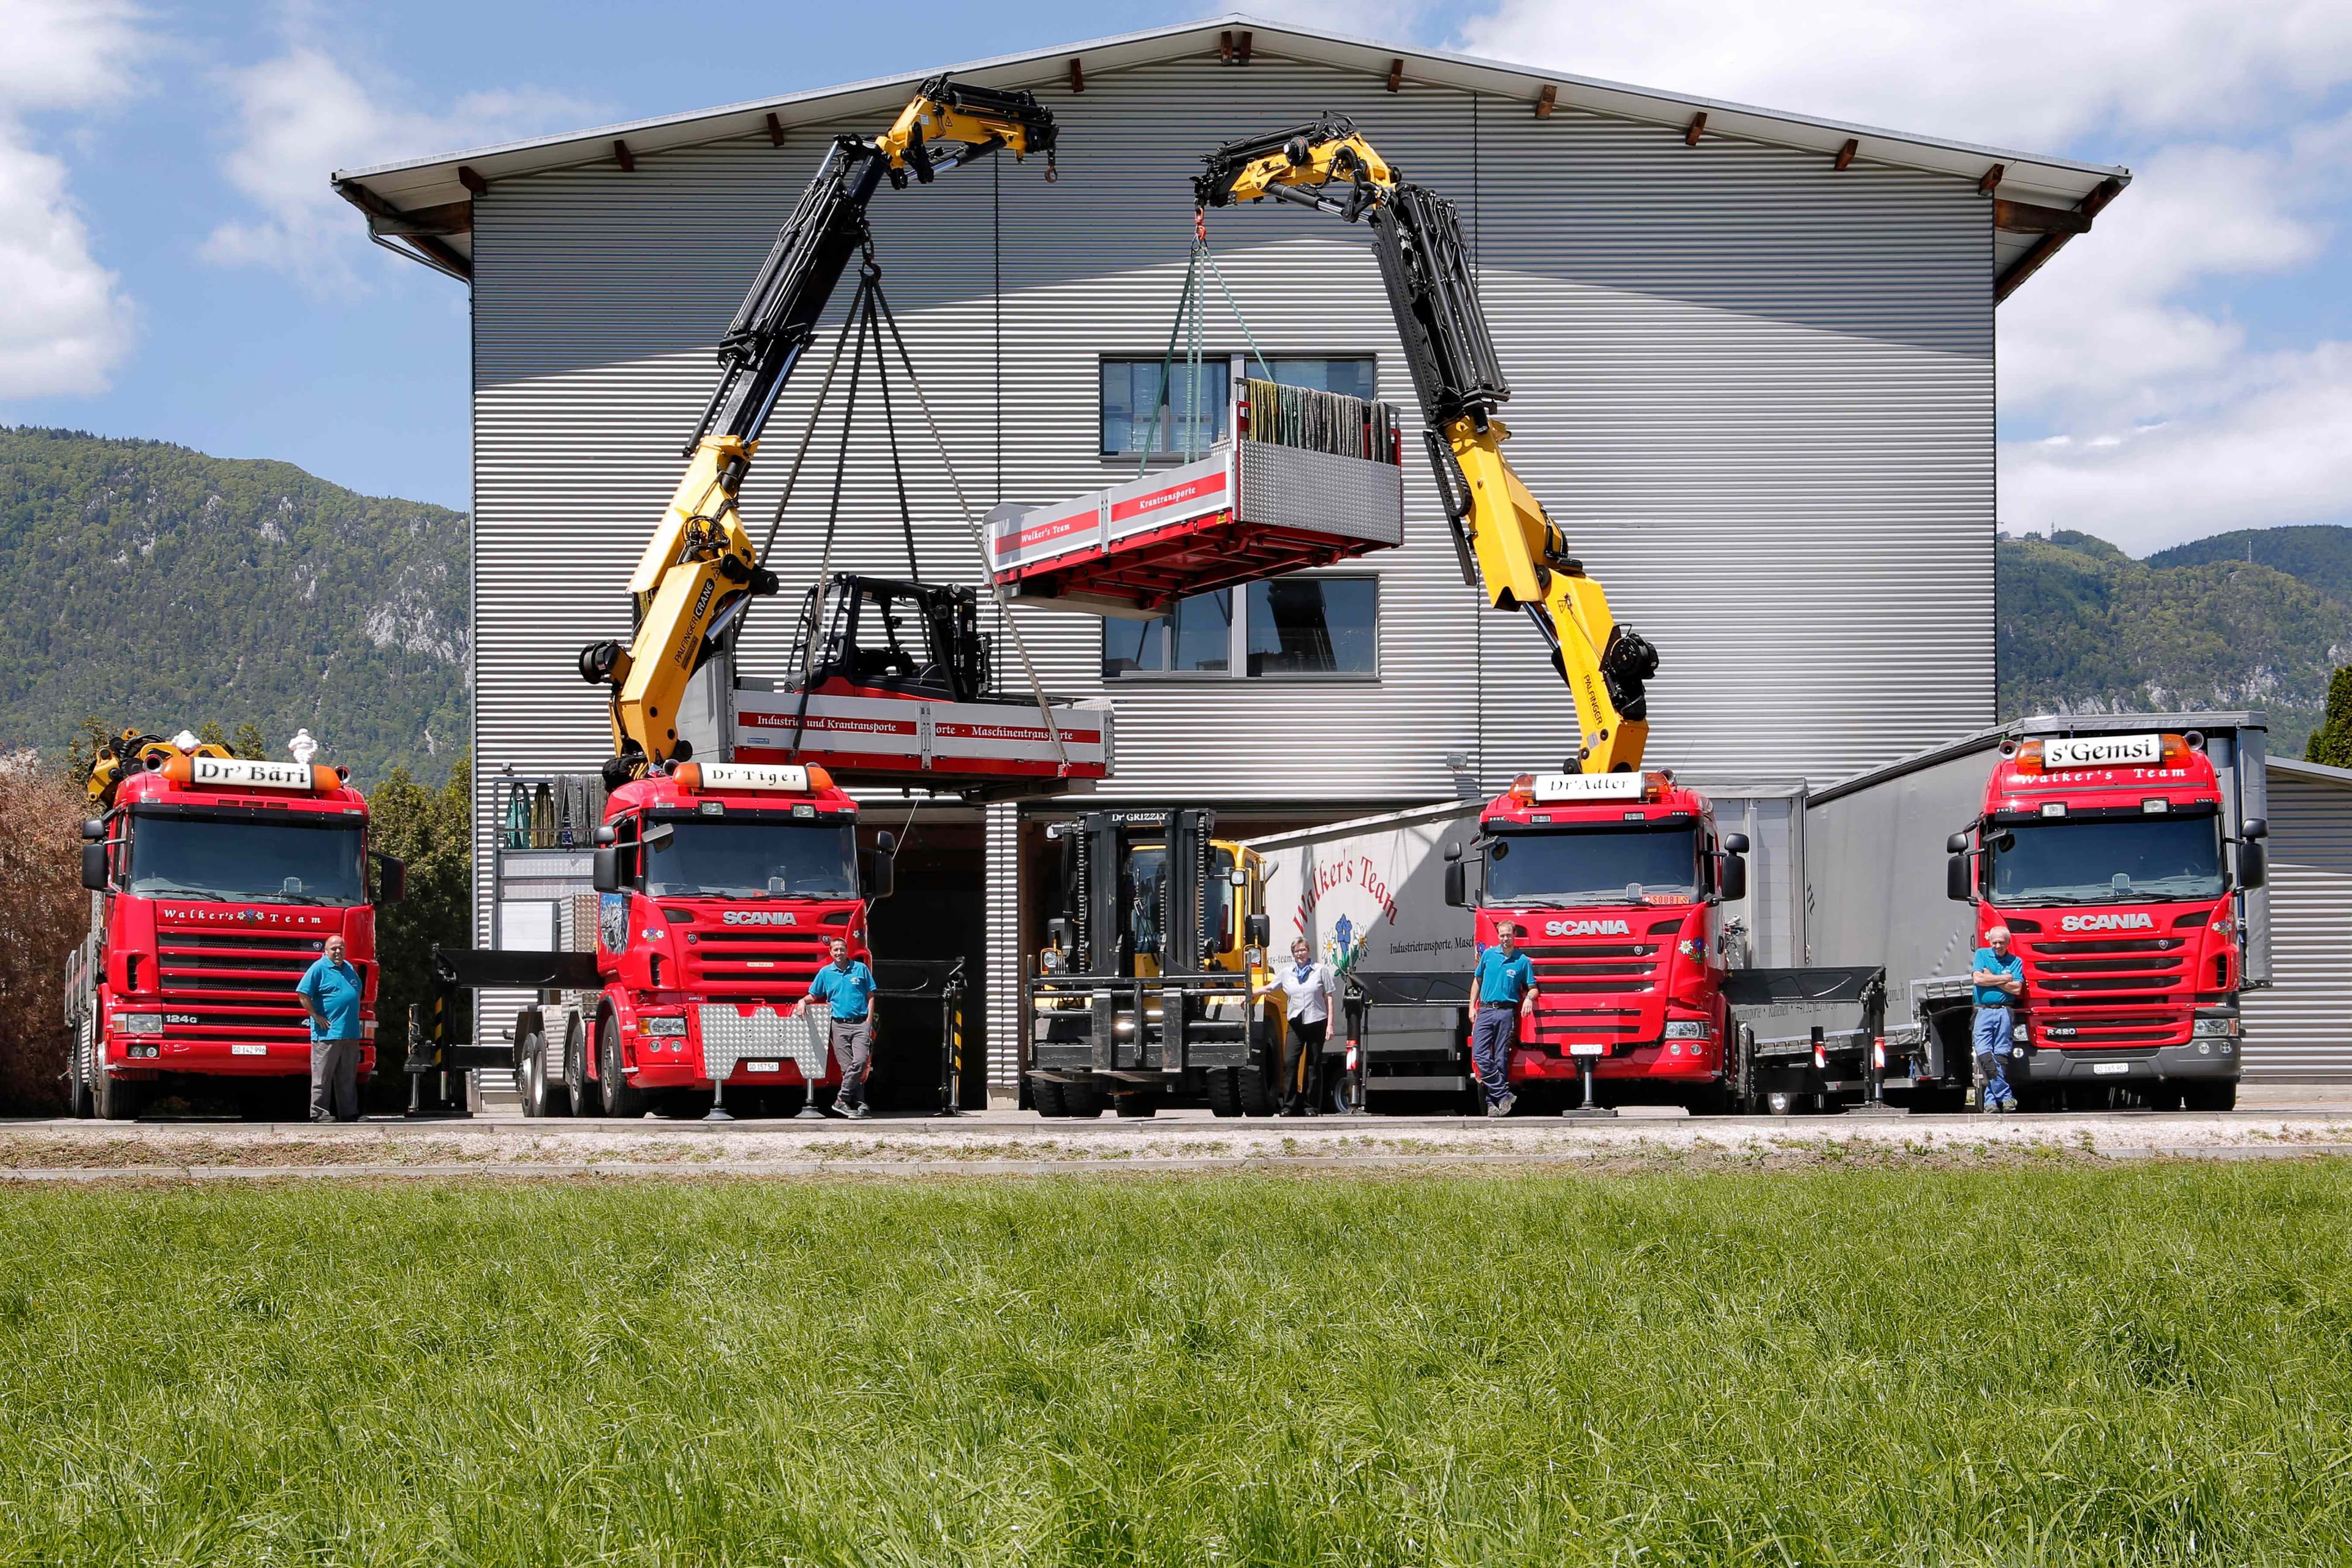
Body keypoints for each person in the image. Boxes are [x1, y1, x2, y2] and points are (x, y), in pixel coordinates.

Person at [1254, 937, 1342, 1115]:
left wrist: (1330, 1025)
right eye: (1297, 951)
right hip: (1296, 1022)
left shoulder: (1320, 971)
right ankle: (1289, 1106)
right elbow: (1270, 988)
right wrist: (1250, 994)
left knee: (1313, 1064)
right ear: (1293, 954)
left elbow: (1329, 998)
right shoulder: (1287, 973)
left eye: (1303, 950)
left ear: (1308, 951)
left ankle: (1311, 1106)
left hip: (1317, 1020)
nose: (1300, 954)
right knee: (1290, 1062)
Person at [797, 938, 877, 1119]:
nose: (839, 953)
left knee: (861, 1061)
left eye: (842, 949)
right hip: (838, 1025)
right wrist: (802, 1001)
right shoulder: (826, 973)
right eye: (836, 950)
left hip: (860, 1024)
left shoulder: (860, 969)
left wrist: (868, 1022)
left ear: (847, 950)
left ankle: (841, 1099)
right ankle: (860, 1106)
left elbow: (870, 996)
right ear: (831, 953)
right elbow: (814, 995)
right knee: (847, 1068)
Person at [1469, 922, 1537, 1117]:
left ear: (1515, 935)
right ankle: (1504, 1094)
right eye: (1501, 936)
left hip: (1507, 1012)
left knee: (1501, 1059)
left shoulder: (1522, 961)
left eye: (1508, 935)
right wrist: (1471, 1006)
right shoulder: (1489, 955)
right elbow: (1477, 980)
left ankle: (1494, 1104)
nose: (1505, 939)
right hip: (1485, 1010)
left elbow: (1533, 987)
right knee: (1480, 1055)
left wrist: (1529, 999)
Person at [296, 934, 365, 1123]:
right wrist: (316, 1016)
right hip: (327, 1033)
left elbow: (356, 992)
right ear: (325, 950)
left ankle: (349, 1113)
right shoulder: (319, 968)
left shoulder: (349, 967)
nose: (338, 951)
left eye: (341, 948)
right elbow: (303, 993)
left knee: (347, 1077)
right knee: (322, 1077)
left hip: (349, 1032)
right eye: (334, 948)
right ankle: (319, 1113)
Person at [1970, 925, 2026, 1114]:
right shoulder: (1981, 954)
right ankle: (2006, 1097)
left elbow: (2017, 989)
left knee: (2001, 1055)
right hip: (1983, 1012)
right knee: (1984, 1053)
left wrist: (1991, 978)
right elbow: (1978, 980)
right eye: (1994, 942)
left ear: (2008, 943)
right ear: (1990, 942)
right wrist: (2004, 979)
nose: (1997, 946)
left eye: (2001, 942)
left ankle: (1990, 1103)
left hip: (2005, 1013)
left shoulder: (2016, 961)